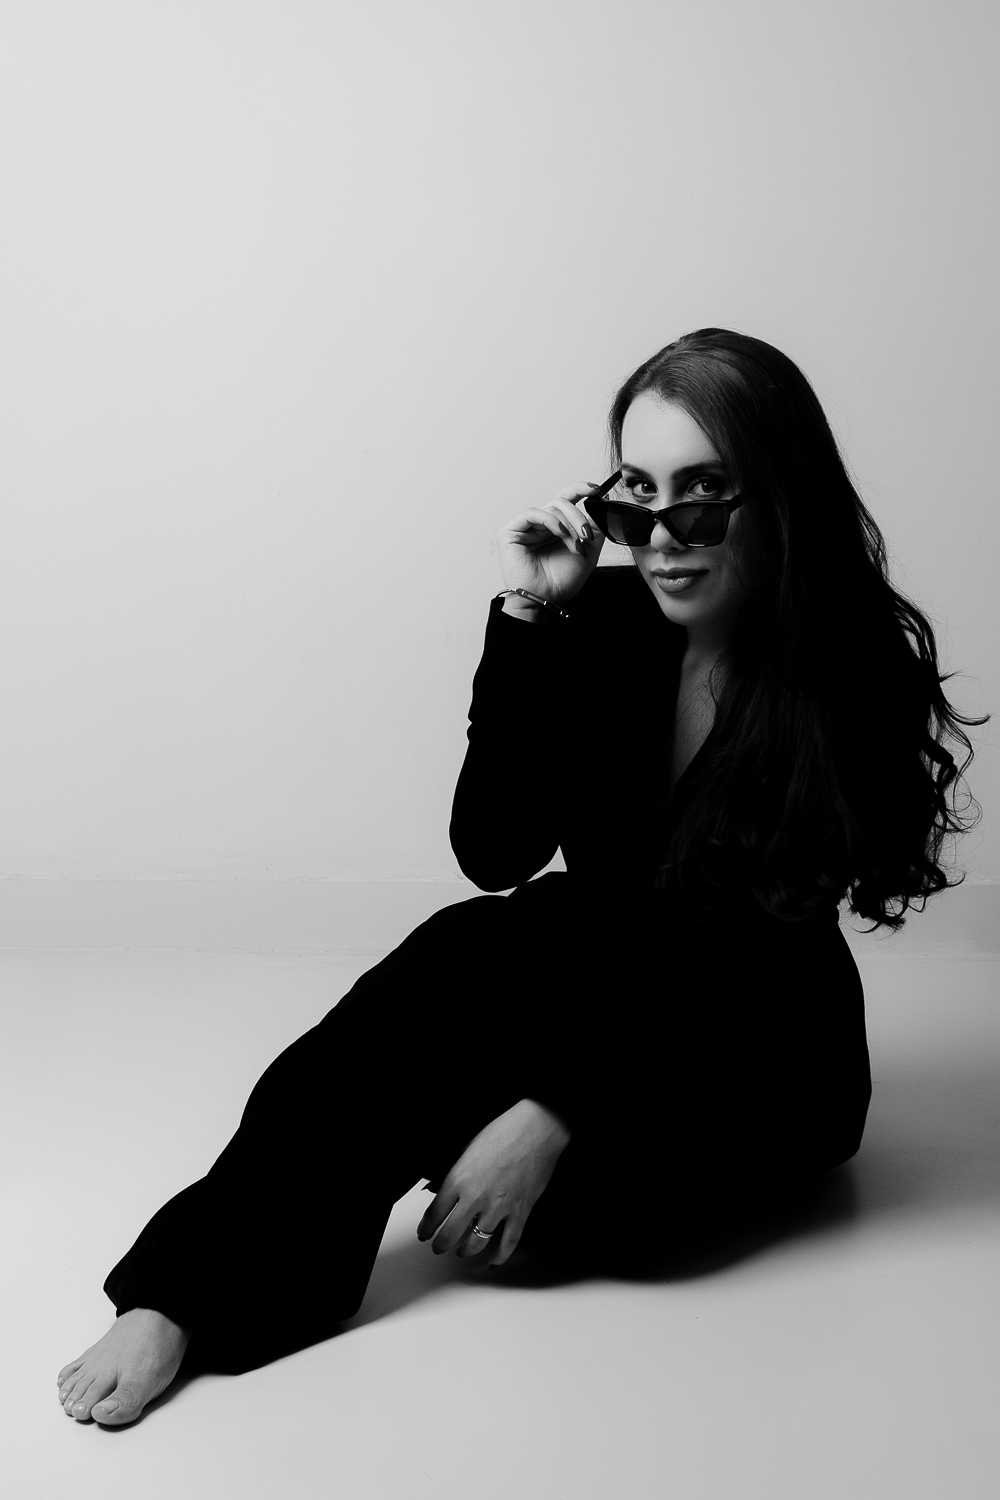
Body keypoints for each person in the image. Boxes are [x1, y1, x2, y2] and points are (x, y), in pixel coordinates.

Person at [56, 328, 983, 1427]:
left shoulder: (847, 672)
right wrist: (532, 615)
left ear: (778, 496)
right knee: (453, 955)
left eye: (703, 496)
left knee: (582, 1219)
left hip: (755, 1032)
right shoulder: (608, 620)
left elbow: (741, 959)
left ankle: (475, 1137)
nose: (662, 538)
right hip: (606, 961)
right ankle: (179, 1298)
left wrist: (550, 1109)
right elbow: (494, 851)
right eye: (636, 497)